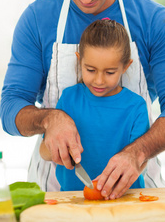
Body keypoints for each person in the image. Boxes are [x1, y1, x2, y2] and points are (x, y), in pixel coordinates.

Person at [0, 0, 165, 199]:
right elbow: (11, 107)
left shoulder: (156, 21)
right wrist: (49, 119)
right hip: (52, 194)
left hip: (136, 190)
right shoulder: (37, 19)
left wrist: (136, 153)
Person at [39, 19, 148, 191]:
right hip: (73, 199)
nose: (99, 80)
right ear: (79, 60)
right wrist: (55, 148)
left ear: (126, 66)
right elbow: (44, 152)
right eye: (90, 70)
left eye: (110, 72)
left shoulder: (136, 107)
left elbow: (141, 161)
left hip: (126, 199)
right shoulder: (69, 98)